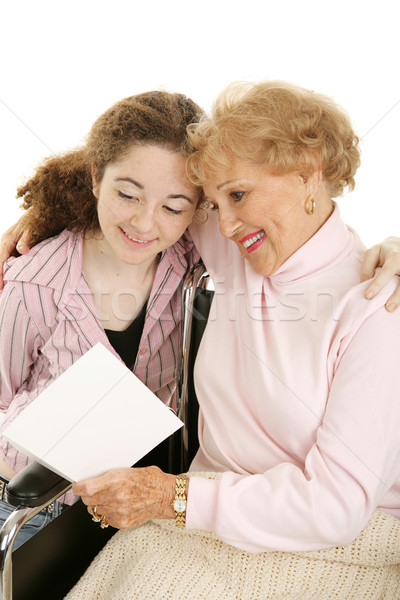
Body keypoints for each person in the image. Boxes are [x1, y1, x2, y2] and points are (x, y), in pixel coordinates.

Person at [55, 81, 400, 600]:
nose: (226, 223)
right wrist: (29, 227)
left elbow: (335, 508)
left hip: (337, 541)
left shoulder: (377, 309)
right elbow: (133, 191)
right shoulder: (239, 242)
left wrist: (175, 497)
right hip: (197, 521)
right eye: (214, 203)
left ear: (309, 170)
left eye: (237, 194)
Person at [0, 90, 204, 548]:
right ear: (96, 178)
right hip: (35, 503)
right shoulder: (38, 281)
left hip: (141, 500)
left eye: (173, 207)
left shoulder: (192, 260)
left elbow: (287, 227)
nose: (145, 223)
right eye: (127, 195)